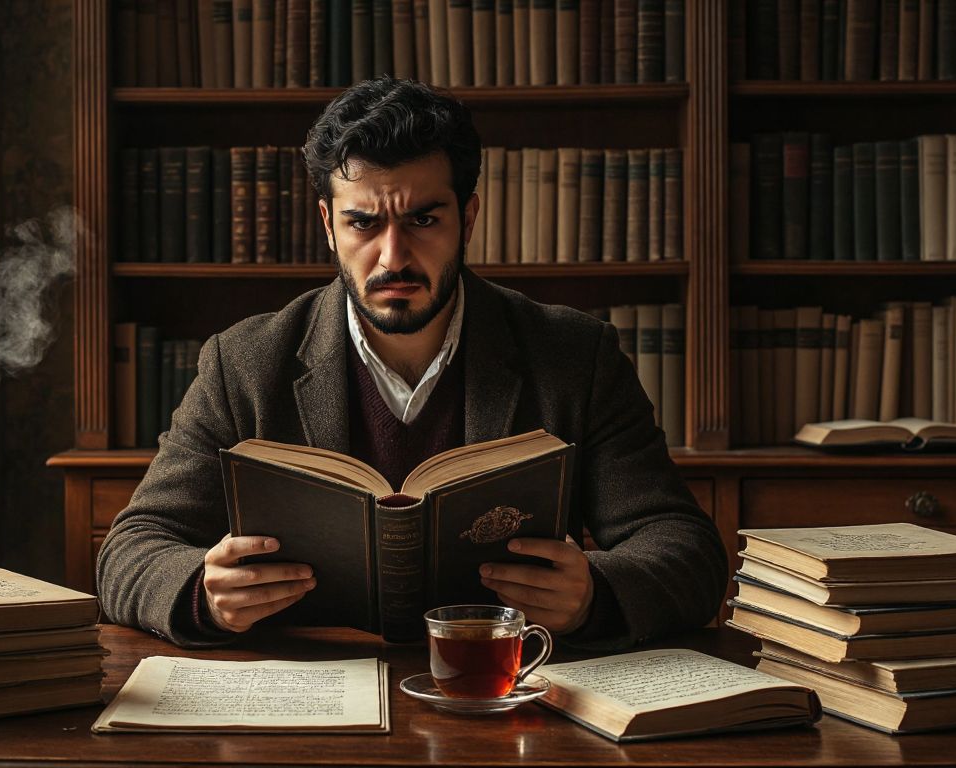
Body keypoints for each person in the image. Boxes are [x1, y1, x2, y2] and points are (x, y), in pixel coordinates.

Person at [96, 77, 726, 649]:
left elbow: (686, 551)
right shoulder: (243, 362)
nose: (393, 256)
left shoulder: (574, 354)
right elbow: (129, 550)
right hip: (308, 687)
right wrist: (203, 596)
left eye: (424, 219)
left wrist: (595, 594)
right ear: (327, 224)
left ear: (468, 216)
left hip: (501, 688)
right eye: (363, 223)